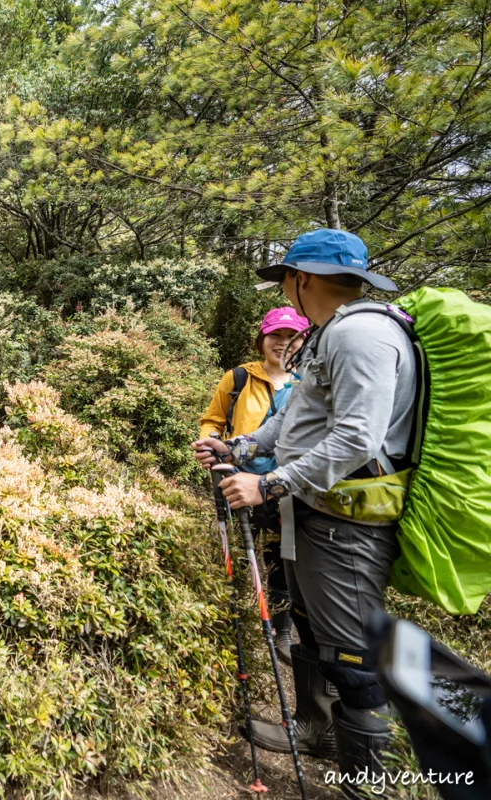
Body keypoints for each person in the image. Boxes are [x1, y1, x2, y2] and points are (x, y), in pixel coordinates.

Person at [191, 229, 414, 799]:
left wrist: (269, 483)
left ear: (304, 278)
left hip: (347, 524)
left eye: (287, 277)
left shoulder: (362, 334)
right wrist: (239, 449)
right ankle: (316, 731)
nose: (287, 288)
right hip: (316, 513)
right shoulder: (328, 334)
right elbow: (296, 419)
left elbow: (358, 437)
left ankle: (368, 785)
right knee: (315, 635)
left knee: (355, 657)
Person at [198, 306, 310, 665]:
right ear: (262, 339)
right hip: (235, 480)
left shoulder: (309, 383)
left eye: (292, 336)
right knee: (235, 550)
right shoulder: (239, 377)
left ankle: (281, 629)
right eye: (275, 335)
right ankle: (234, 617)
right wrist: (209, 446)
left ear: (305, 341)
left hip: (285, 486)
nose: (282, 343)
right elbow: (213, 420)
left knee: (280, 558)